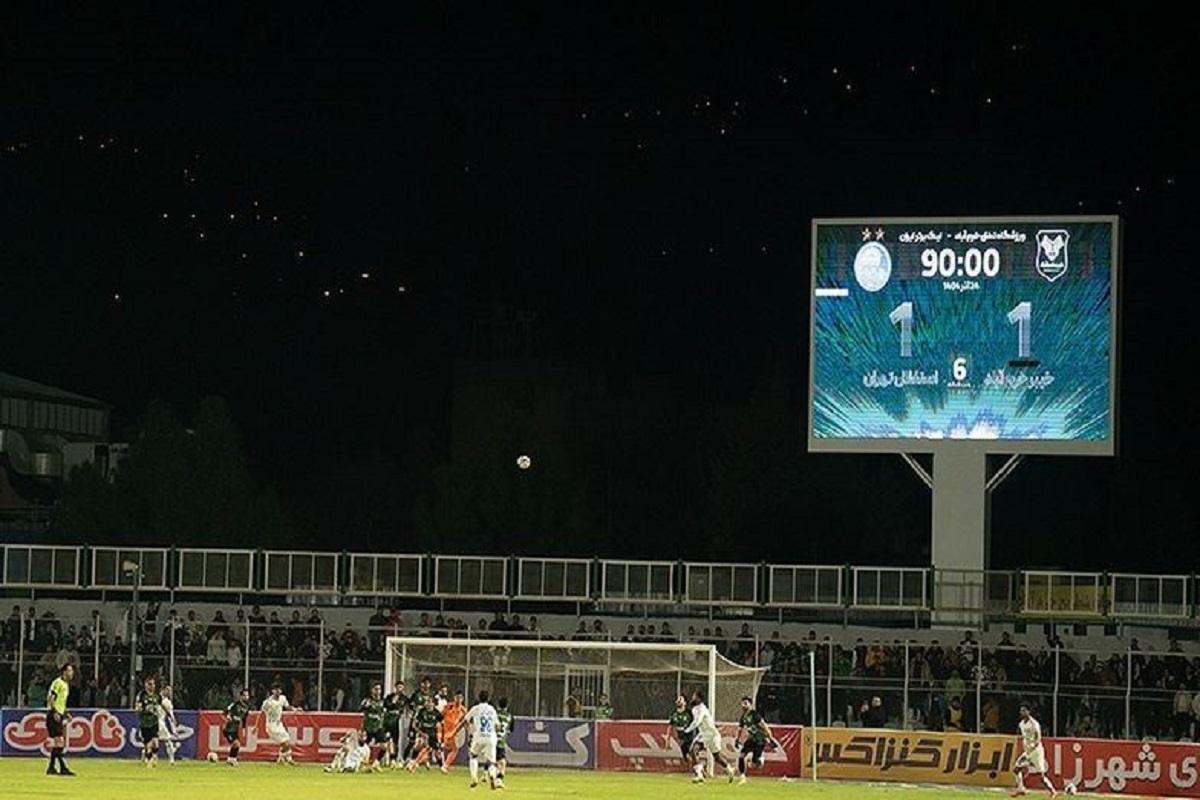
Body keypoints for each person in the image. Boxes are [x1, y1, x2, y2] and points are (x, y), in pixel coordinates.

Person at [685, 689, 735, 783]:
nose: (693, 698)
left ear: (699, 699)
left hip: (712, 735)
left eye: (695, 696)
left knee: (717, 757)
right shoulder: (694, 709)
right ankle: (699, 774)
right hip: (704, 734)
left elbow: (697, 722)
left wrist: (687, 730)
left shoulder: (703, 709)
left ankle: (729, 769)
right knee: (693, 750)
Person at [459, 689, 502, 789]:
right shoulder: (492, 709)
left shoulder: (476, 708)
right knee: (491, 761)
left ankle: (474, 778)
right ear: (488, 698)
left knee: (473, 756)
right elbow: (498, 726)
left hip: (479, 736)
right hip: (490, 737)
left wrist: (465, 728)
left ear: (479, 698)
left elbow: (465, 720)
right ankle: (492, 776)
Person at [1012, 702, 1057, 797]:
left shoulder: (1034, 723)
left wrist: (1034, 745)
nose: (1022, 712)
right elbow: (1025, 737)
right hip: (1027, 752)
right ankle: (1021, 788)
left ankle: (1052, 791)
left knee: (1041, 776)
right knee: (1016, 769)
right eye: (1021, 710)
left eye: (1024, 710)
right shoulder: (1021, 724)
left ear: (1028, 712)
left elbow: (1038, 737)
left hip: (1036, 752)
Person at [733, 695, 779, 785]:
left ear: (750, 704)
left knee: (754, 763)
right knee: (741, 755)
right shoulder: (743, 717)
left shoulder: (755, 715)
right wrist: (737, 739)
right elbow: (740, 729)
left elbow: (764, 727)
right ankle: (742, 777)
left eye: (745, 703)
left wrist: (771, 739)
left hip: (760, 740)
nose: (743, 705)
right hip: (751, 739)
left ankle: (759, 759)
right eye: (742, 704)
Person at [45, 662, 75, 776]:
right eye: (70, 670)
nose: (72, 673)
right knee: (60, 742)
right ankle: (63, 768)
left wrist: (66, 713)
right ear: (64, 672)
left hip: (58, 714)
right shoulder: (58, 682)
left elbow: (60, 702)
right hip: (54, 715)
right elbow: (51, 698)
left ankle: (51, 767)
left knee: (58, 743)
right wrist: (54, 712)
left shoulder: (65, 685)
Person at [262, 683, 301, 764]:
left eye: (279, 689)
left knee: (287, 741)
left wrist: (296, 709)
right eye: (276, 689)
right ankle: (289, 759)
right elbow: (262, 713)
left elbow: (287, 707)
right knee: (285, 742)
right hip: (271, 725)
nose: (278, 691)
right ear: (272, 691)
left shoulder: (283, 698)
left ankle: (280, 759)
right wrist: (255, 726)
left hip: (279, 724)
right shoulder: (268, 702)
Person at [406, 696, 443, 771]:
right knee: (418, 746)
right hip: (423, 734)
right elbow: (414, 725)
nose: (428, 703)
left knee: (438, 752)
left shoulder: (437, 713)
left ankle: (442, 767)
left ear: (433, 703)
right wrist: (421, 733)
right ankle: (412, 763)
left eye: (429, 702)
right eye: (427, 701)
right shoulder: (422, 711)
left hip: (433, 735)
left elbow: (441, 725)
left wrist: (439, 736)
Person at [360, 681, 388, 771]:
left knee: (384, 746)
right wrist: (366, 706)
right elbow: (360, 709)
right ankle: (362, 764)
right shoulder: (367, 700)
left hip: (378, 727)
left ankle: (376, 763)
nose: (378, 691)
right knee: (363, 747)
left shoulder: (383, 701)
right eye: (376, 689)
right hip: (368, 727)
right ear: (372, 690)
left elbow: (389, 709)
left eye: (379, 689)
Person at [136, 676, 163, 767]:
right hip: (145, 722)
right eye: (150, 684)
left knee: (155, 742)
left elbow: (162, 705)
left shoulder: (157, 696)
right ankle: (149, 760)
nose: (152, 686)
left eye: (153, 684)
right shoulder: (142, 695)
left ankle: (154, 756)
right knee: (148, 743)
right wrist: (145, 709)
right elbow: (137, 708)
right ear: (146, 685)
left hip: (154, 721)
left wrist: (171, 715)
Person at [438, 691, 467, 772]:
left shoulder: (463, 710)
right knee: (453, 749)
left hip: (454, 733)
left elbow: (465, 722)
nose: (458, 699)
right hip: (446, 731)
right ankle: (445, 765)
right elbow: (440, 717)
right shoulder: (448, 706)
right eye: (457, 697)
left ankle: (445, 765)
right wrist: (440, 727)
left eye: (460, 698)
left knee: (452, 749)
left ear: (462, 699)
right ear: (454, 698)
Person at [666, 694, 696, 773]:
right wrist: (668, 739)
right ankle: (694, 770)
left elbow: (695, 723)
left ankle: (694, 771)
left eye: (680, 699)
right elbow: (670, 726)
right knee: (686, 757)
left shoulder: (689, 713)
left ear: (685, 703)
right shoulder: (674, 714)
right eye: (678, 700)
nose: (678, 701)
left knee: (692, 754)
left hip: (690, 737)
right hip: (681, 738)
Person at [222, 688, 251, 765]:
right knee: (236, 744)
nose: (246, 697)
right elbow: (225, 711)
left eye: (247, 695)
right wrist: (228, 716)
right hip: (228, 729)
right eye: (244, 695)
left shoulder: (247, 707)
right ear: (241, 696)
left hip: (235, 729)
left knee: (237, 745)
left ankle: (231, 759)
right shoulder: (235, 704)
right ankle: (233, 759)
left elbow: (244, 718)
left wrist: (244, 729)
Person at [382, 680, 408, 768]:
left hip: (397, 722)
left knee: (396, 741)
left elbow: (409, 706)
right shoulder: (389, 697)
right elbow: (386, 706)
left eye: (401, 687)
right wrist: (393, 701)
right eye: (398, 687)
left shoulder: (404, 698)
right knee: (387, 740)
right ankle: (388, 759)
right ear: (395, 688)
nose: (400, 689)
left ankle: (394, 759)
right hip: (388, 722)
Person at [157, 683, 180, 764]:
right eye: (167, 690)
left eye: (170, 691)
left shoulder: (168, 702)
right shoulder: (156, 698)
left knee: (166, 740)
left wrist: (174, 728)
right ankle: (171, 759)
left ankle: (171, 759)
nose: (169, 692)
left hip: (160, 722)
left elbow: (171, 715)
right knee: (167, 740)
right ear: (163, 690)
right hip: (156, 721)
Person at [495, 696, 513, 783]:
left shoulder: (495, 714)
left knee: (495, 760)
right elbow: (510, 730)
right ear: (507, 705)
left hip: (492, 740)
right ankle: (498, 780)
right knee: (502, 762)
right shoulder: (510, 716)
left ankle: (489, 775)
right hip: (501, 742)